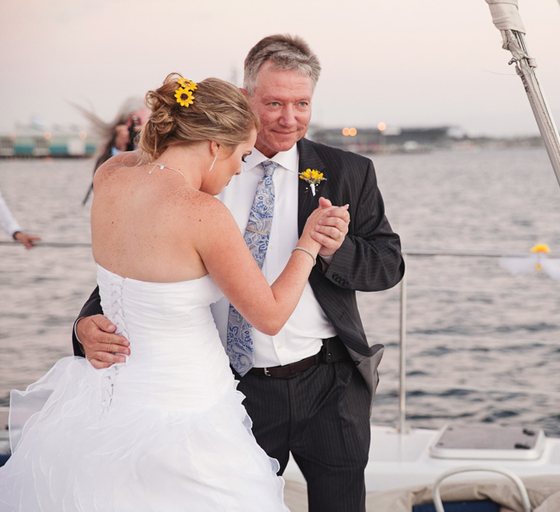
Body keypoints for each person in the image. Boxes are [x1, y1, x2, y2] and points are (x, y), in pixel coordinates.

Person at [75, 35, 405, 512]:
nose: (289, 118)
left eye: (301, 103)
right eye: (274, 103)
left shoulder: (348, 170)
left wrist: (335, 249)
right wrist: (86, 324)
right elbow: (135, 264)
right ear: (246, 97)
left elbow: (389, 264)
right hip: (231, 387)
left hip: (329, 384)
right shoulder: (197, 175)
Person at [0, 73, 344, 510]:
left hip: (107, 401)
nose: (240, 168)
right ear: (214, 146)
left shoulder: (111, 174)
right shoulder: (202, 212)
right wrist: (309, 243)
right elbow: (271, 315)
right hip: (187, 410)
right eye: (240, 155)